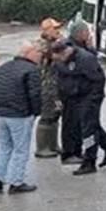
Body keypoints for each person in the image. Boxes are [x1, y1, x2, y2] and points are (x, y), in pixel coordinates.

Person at [52, 41, 106, 175]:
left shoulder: (86, 59)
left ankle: (90, 161)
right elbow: (60, 79)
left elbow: (99, 80)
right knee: (91, 126)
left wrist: (92, 99)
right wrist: (59, 97)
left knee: (88, 130)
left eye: (60, 58)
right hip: (72, 98)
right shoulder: (61, 61)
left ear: (65, 51)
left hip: (88, 98)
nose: (59, 61)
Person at [0, 41, 42, 193]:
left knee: (4, 147)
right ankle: (16, 182)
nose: (39, 56)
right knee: (20, 149)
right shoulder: (31, 70)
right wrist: (36, 112)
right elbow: (34, 94)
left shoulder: (3, 68)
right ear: (29, 53)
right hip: (21, 114)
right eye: (37, 53)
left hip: (3, 114)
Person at [36, 18, 64, 161]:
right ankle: (42, 148)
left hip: (56, 85)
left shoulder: (55, 43)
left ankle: (53, 145)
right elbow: (51, 55)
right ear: (46, 30)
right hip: (46, 86)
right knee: (46, 117)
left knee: (55, 116)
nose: (58, 30)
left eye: (58, 27)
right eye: (55, 28)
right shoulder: (42, 44)